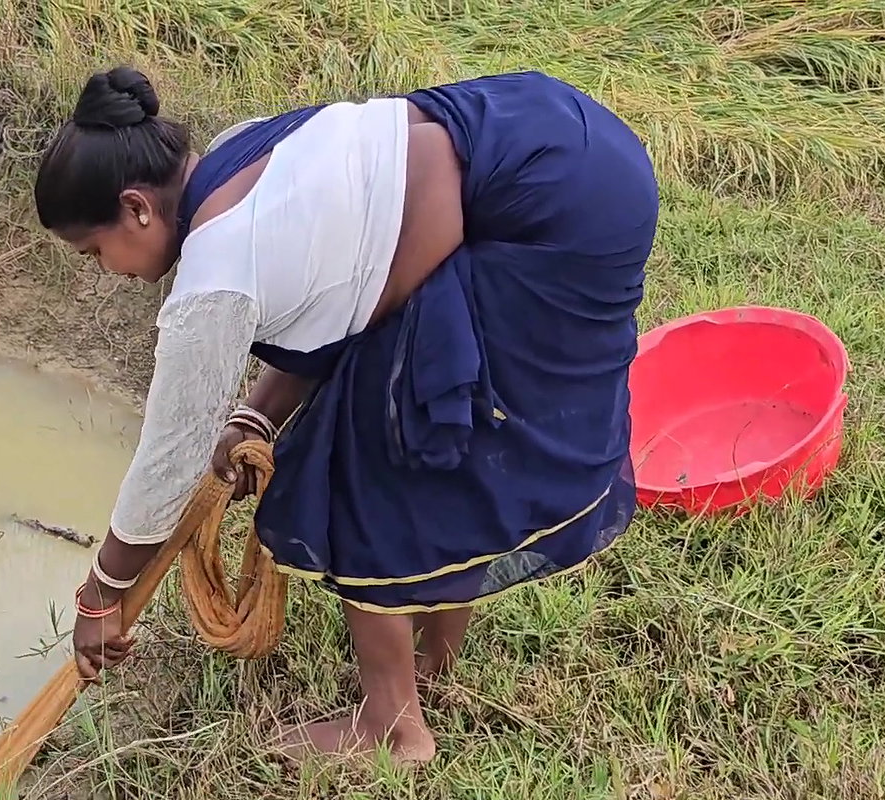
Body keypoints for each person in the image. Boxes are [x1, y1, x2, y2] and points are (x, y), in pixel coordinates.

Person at [33, 66, 658, 763]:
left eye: (94, 251)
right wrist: (259, 416)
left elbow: (168, 463)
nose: (102, 270)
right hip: (552, 133)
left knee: (360, 461)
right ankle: (437, 662)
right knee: (438, 415)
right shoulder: (243, 150)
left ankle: (394, 729)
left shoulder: (212, 280)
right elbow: (341, 291)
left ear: (137, 208)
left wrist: (102, 592)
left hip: (549, 204)